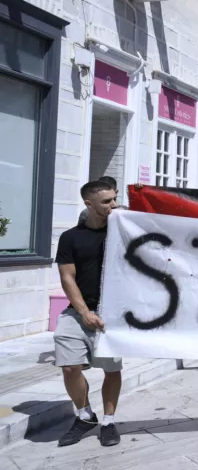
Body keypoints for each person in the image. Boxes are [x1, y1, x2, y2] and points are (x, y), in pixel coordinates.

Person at [55, 180, 122, 447]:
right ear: (88, 203)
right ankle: (84, 416)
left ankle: (108, 421)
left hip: (112, 314)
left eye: (114, 199)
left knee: (111, 369)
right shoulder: (70, 237)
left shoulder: (122, 232)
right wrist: (84, 312)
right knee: (70, 367)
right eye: (106, 201)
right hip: (77, 312)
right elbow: (67, 278)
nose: (113, 205)